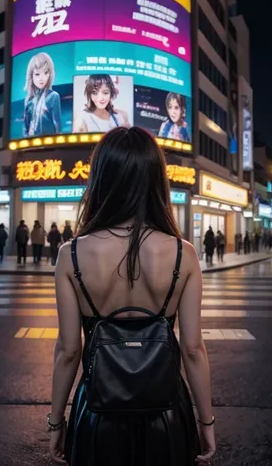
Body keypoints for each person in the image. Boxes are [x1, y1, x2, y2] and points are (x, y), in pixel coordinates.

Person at [48, 127, 214, 465]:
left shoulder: (72, 254)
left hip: (97, 411)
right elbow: (193, 349)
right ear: (156, 180)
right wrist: (206, 422)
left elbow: (68, 351)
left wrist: (56, 423)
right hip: (167, 411)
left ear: (100, 178)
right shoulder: (184, 254)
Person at [23, 52, 62, 137]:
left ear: (50, 74)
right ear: (31, 76)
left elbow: (58, 126)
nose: (42, 78)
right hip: (31, 144)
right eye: (37, 74)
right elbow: (26, 127)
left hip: (50, 143)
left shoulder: (54, 96)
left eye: (46, 73)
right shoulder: (28, 100)